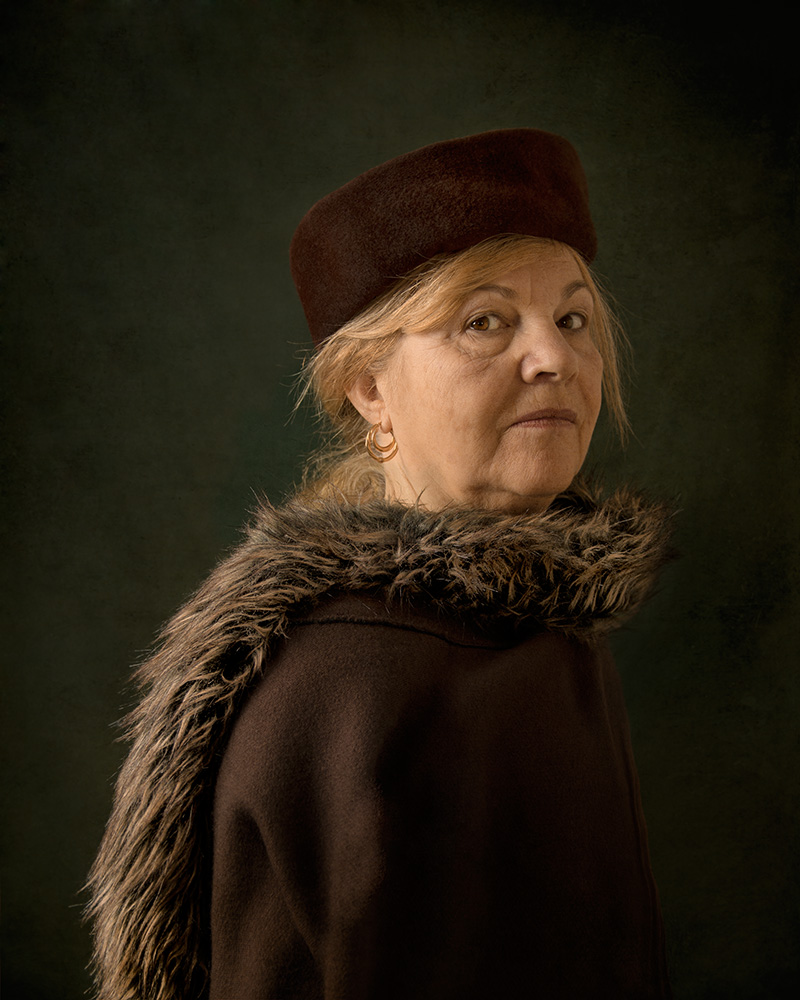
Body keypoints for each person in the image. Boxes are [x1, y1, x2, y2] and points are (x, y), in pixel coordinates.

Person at [87, 129, 673, 999]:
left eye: (572, 318)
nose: (554, 357)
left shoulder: (538, 627)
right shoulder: (370, 680)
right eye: (484, 321)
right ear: (369, 387)